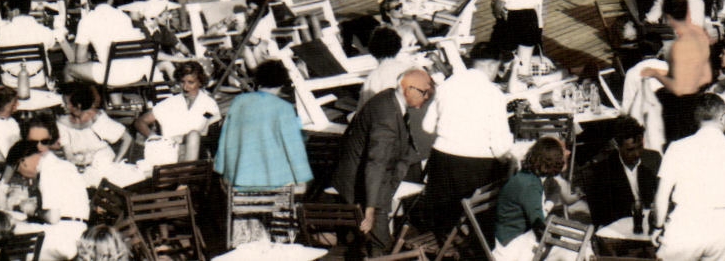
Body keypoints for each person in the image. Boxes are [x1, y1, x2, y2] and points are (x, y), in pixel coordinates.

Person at [331, 68, 436, 252]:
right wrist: (370, 210)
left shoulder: (389, 97)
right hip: (365, 187)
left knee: (377, 242)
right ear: (407, 90)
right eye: (424, 94)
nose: (426, 99)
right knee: (381, 244)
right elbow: (375, 165)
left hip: (373, 179)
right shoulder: (386, 118)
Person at [650, 93, 725, 261]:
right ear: (722, 117)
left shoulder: (677, 148)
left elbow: (662, 195)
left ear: (697, 118)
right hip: (723, 227)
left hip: (685, 224)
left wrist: (658, 227)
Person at [421, 50, 515, 238]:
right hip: (476, 168)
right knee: (499, 191)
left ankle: (446, 241)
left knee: (445, 217)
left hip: (441, 161)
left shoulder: (447, 86)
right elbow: (500, 145)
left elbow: (427, 126)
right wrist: (510, 158)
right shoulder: (493, 93)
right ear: (491, 66)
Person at [214, 60, 313, 192]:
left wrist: (222, 171)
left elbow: (225, 140)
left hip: (237, 181)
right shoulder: (284, 108)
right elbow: (294, 150)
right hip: (271, 184)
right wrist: (302, 179)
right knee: (305, 183)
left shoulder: (239, 102)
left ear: (258, 81)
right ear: (282, 84)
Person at [640, 0, 714, 144]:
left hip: (681, 109)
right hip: (699, 99)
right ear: (688, 12)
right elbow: (706, 76)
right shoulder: (699, 33)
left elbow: (679, 89)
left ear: (667, 17)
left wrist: (656, 74)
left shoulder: (678, 46)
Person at [491, 136, 573, 261]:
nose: (567, 153)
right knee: (569, 249)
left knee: (568, 241)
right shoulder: (530, 186)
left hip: (511, 236)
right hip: (514, 246)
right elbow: (538, 223)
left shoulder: (527, 176)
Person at [134, 61, 220, 164]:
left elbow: (205, 130)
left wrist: (183, 138)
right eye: (182, 82)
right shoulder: (170, 103)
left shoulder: (209, 104)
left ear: (200, 82)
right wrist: (154, 137)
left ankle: (184, 174)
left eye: (190, 82)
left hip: (196, 151)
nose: (185, 87)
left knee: (193, 135)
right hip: (170, 150)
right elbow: (140, 122)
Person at [582, 116, 661, 227]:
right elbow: (602, 216)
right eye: (630, 149)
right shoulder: (603, 171)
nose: (637, 154)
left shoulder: (654, 159)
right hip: (621, 226)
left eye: (640, 147)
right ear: (617, 145)